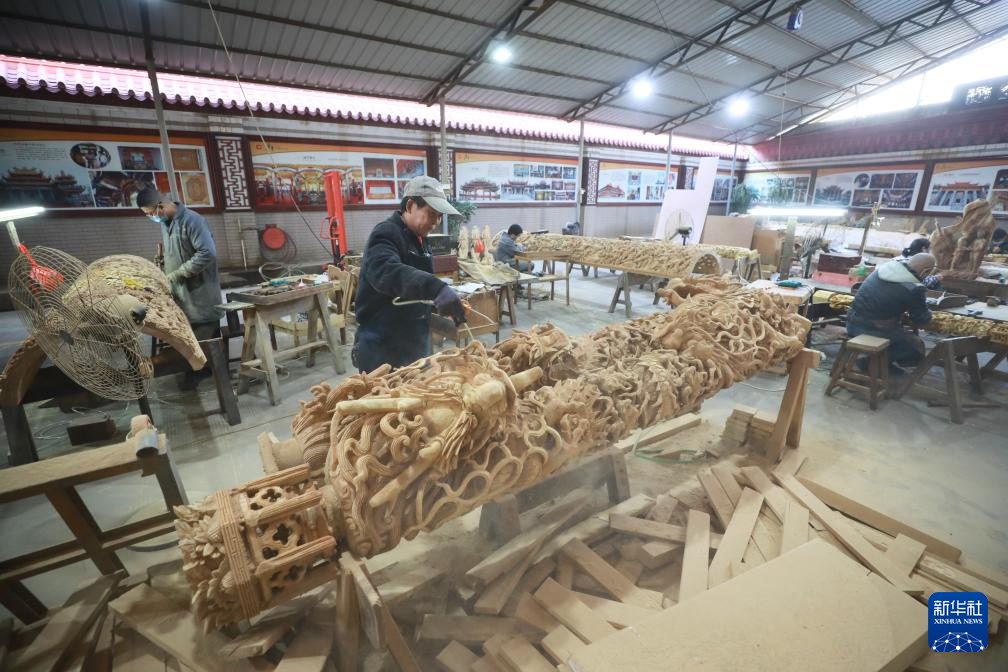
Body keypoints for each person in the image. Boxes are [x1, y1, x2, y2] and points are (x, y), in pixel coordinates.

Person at [353, 176, 466, 373]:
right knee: (384, 392)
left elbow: (415, 289)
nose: (436, 222)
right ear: (410, 206)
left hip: (413, 341)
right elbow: (387, 271)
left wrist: (439, 305)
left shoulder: (420, 239)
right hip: (382, 344)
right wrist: (435, 288)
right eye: (431, 213)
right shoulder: (386, 233)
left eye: (439, 216)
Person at [136, 188, 223, 341]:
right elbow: (179, 252)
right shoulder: (165, 223)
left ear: (160, 206)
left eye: (150, 213)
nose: (150, 217)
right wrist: (164, 262)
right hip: (183, 301)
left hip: (201, 300)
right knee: (190, 349)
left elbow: (207, 253)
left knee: (206, 347)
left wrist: (178, 274)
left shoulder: (193, 221)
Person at [846, 253, 936, 371]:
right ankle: (868, 363)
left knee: (902, 338)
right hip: (870, 330)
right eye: (929, 273)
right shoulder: (914, 287)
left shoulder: (886, 267)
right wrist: (929, 312)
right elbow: (921, 318)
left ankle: (882, 364)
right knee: (915, 346)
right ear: (925, 271)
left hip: (850, 322)